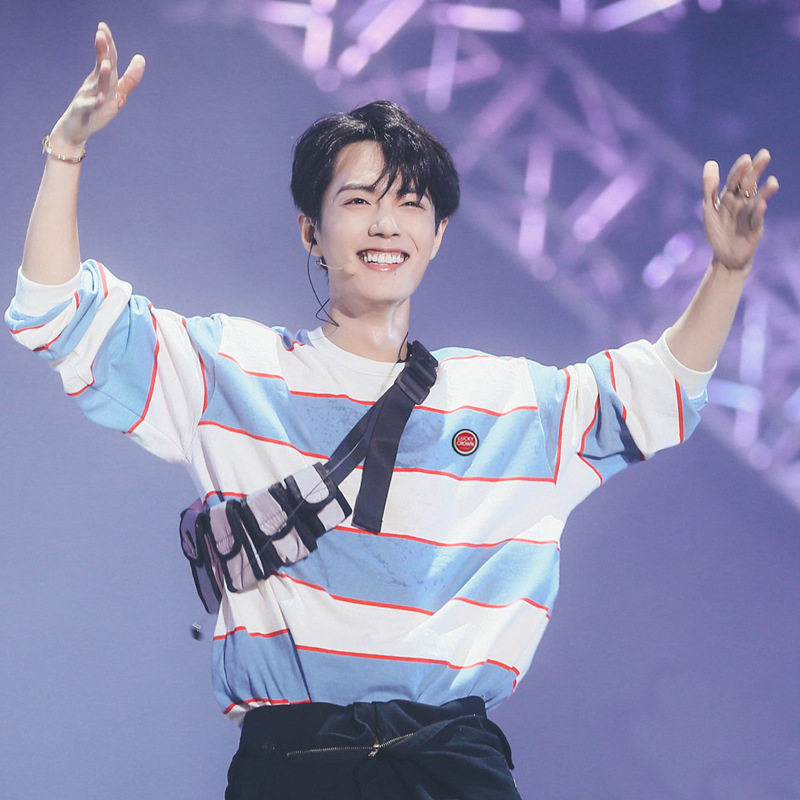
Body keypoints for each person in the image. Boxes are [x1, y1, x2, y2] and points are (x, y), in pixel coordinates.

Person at [5, 22, 779, 800]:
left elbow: (660, 389)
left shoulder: (510, 402)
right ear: (312, 232)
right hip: (294, 767)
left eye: (410, 204)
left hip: (449, 766)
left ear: (437, 236)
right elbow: (56, 312)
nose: (385, 224)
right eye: (358, 201)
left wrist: (726, 271)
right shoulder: (231, 370)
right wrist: (65, 150)